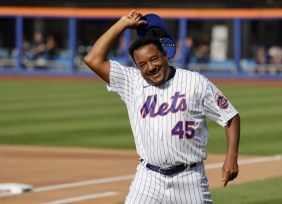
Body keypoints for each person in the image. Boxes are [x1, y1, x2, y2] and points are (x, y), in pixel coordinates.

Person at [84, 10, 240, 204]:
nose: (150, 67)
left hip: (189, 178)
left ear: (165, 55)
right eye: (142, 64)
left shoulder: (195, 82)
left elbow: (230, 116)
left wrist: (231, 158)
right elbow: (93, 59)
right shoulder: (132, 82)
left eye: (154, 59)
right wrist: (122, 24)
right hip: (149, 178)